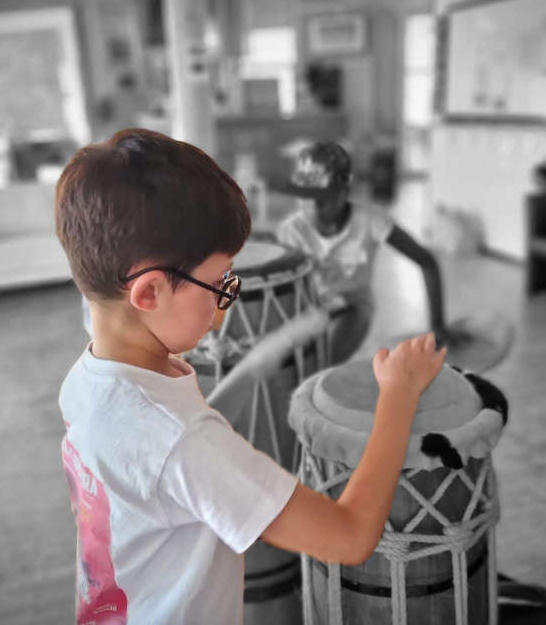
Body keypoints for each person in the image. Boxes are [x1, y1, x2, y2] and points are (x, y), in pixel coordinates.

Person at [54, 128, 446, 625]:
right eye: (220, 284)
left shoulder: (90, 380)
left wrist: (261, 360)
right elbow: (349, 536)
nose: (226, 302)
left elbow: (166, 457)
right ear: (150, 293)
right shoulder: (185, 445)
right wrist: (399, 393)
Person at [277, 140, 459, 364]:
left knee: (323, 362)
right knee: (286, 362)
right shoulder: (291, 231)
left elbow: (427, 261)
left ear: (344, 191)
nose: (312, 208)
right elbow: (281, 288)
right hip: (310, 309)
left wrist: (438, 325)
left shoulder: (371, 221)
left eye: (322, 199)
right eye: (304, 198)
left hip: (352, 306)